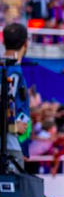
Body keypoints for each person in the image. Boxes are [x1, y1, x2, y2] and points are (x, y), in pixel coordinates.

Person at [2, 23, 30, 169]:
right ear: (26, 42)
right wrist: (12, 127)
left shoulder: (10, 68)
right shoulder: (11, 70)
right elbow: (4, 103)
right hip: (9, 146)